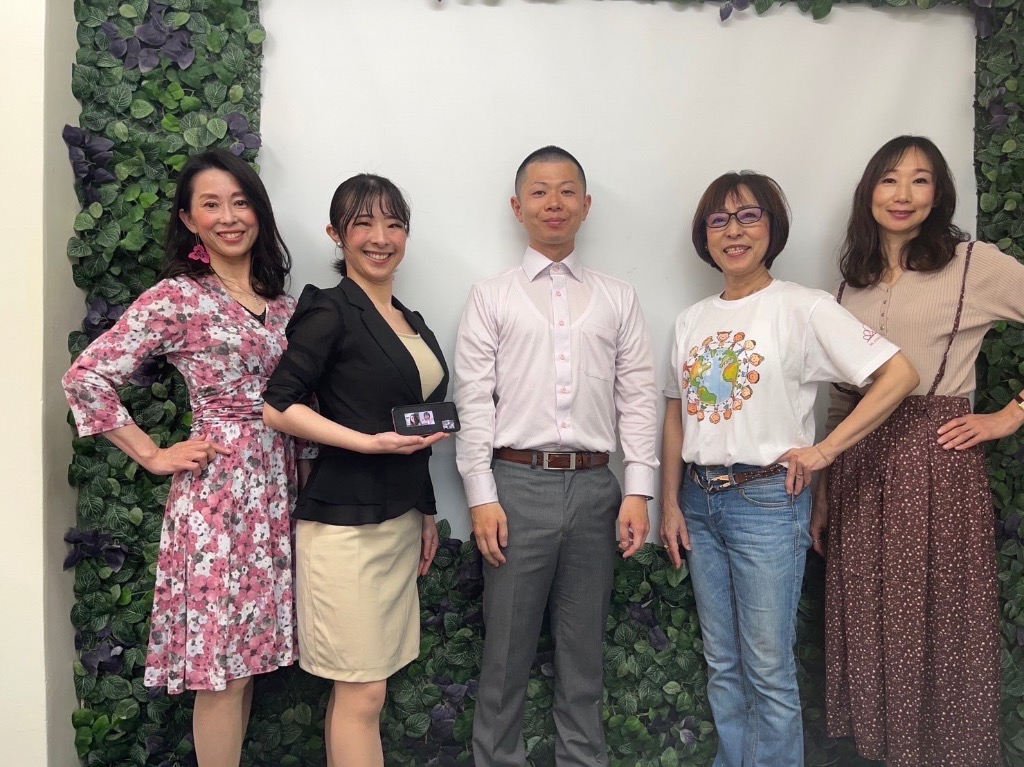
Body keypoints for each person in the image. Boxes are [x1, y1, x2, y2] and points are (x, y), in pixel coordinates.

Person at [659, 170, 918, 767]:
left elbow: (899, 375)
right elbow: (677, 415)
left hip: (768, 502)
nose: (734, 231)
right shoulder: (691, 320)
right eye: (719, 220)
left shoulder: (804, 307)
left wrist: (824, 451)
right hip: (699, 500)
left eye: (748, 216)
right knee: (723, 662)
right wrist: (670, 502)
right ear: (705, 236)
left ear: (771, 228)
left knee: (768, 666)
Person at [62, 148, 305, 767]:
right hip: (219, 498)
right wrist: (151, 453)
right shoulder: (177, 298)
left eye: (240, 202)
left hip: (278, 494)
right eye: (211, 205)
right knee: (220, 672)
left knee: (246, 664)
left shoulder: (284, 305)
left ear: (259, 211)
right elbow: (87, 377)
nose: (229, 217)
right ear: (190, 220)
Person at [814, 135, 1024, 766]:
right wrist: (824, 490)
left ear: (939, 193)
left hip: (937, 460)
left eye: (920, 179)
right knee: (872, 617)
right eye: (889, 179)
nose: (902, 194)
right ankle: (885, 750)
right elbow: (844, 397)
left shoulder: (973, 264)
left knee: (939, 620)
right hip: (859, 468)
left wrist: (1011, 415)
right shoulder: (850, 283)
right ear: (868, 192)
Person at [454, 146, 659, 767]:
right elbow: (473, 400)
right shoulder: (491, 296)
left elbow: (638, 396)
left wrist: (638, 490)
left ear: (586, 205)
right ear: (517, 207)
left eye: (567, 191)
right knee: (505, 654)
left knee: (583, 653)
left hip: (596, 489)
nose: (554, 203)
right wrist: (481, 496)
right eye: (539, 192)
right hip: (516, 487)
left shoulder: (618, 297)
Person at [262, 174, 447, 767]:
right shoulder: (330, 308)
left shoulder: (409, 319)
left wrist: (426, 510)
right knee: (362, 692)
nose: (380, 237)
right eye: (363, 223)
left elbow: (414, 425)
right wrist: (366, 444)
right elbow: (278, 405)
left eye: (394, 224)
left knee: (371, 688)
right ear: (336, 234)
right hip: (346, 530)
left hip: (397, 521)